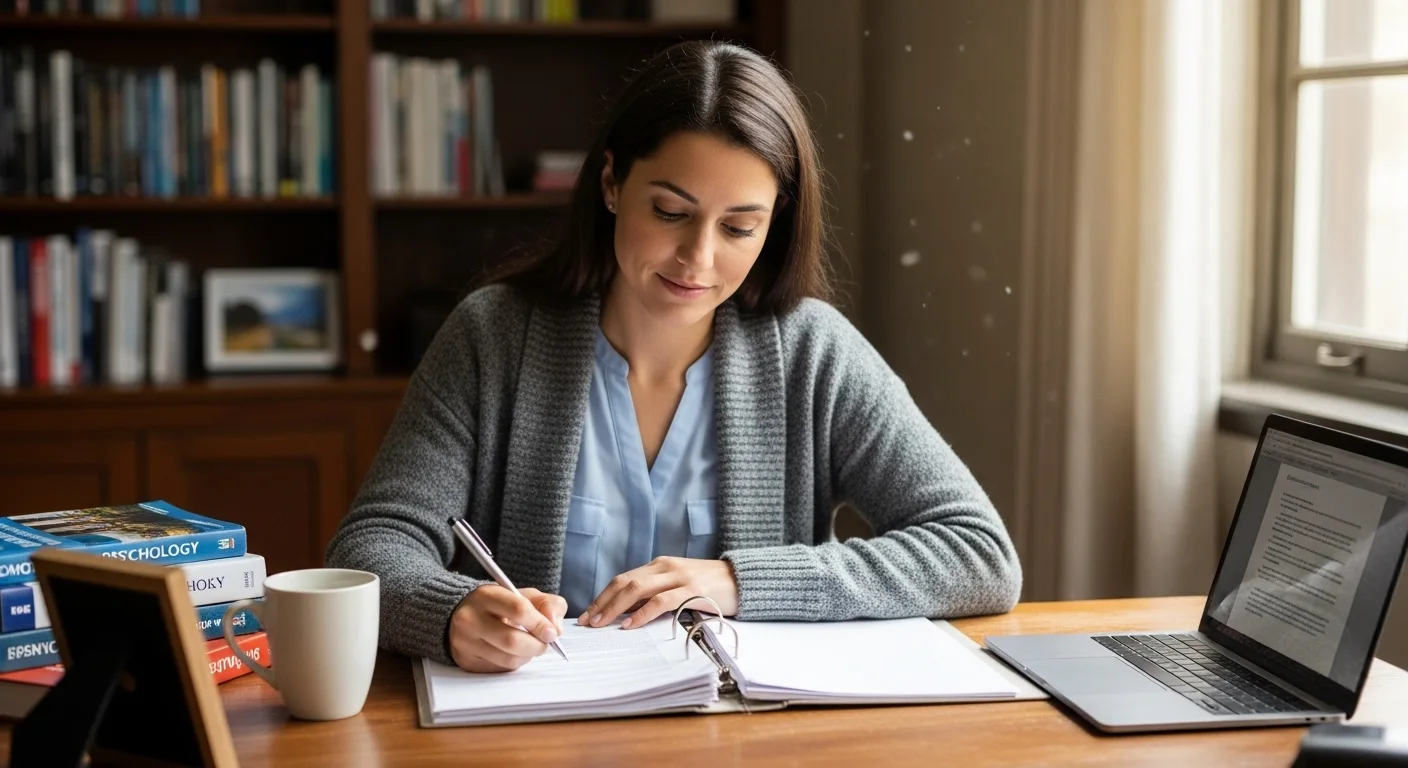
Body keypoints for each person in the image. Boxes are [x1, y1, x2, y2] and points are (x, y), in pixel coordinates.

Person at [325, 39, 1022, 674]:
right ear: (610, 184)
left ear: (774, 222)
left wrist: (741, 581)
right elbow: (370, 549)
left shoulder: (814, 350)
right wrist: (447, 612)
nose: (699, 258)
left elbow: (978, 555)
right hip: (535, 734)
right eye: (670, 212)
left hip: (749, 740)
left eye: (740, 226)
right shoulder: (494, 336)